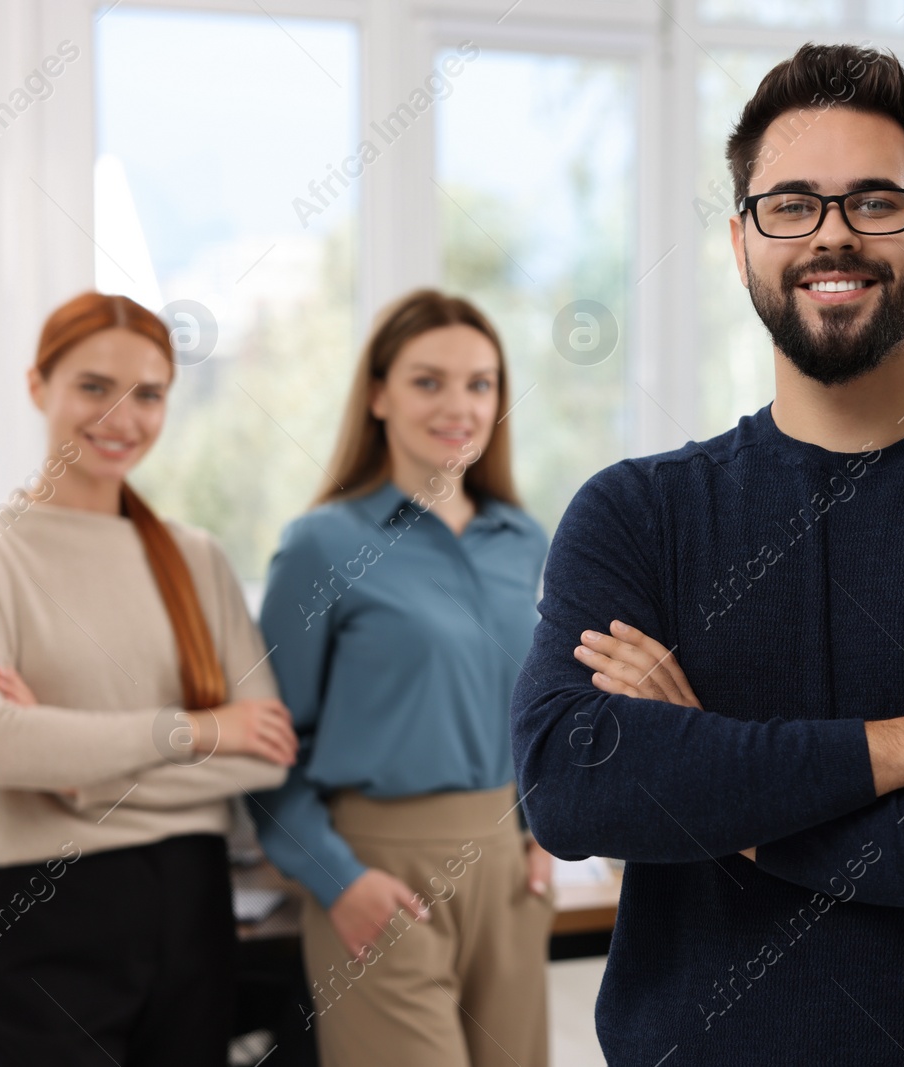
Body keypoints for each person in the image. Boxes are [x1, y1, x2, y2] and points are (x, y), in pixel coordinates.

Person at [511, 44, 904, 1066]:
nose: (832, 235)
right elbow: (572, 786)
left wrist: (726, 802)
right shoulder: (635, 514)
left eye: (874, 203)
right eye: (792, 205)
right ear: (739, 241)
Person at [0, 291, 297, 1065]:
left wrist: (77, 777)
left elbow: (264, 750)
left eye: (149, 394)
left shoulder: (196, 558)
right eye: (94, 386)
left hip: (192, 909)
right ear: (37, 386)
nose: (121, 417)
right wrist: (195, 728)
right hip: (40, 911)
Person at [249, 289, 554, 1067]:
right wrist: (337, 878)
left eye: (480, 383)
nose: (459, 404)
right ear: (378, 394)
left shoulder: (523, 540)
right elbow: (265, 753)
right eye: (429, 381)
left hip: (510, 874)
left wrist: (542, 830)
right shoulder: (321, 546)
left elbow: (534, 711)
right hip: (381, 868)